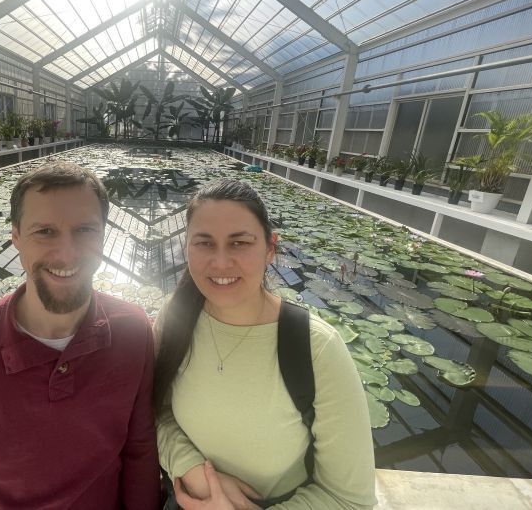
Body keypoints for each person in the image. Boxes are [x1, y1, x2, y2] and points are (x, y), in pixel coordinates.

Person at [0, 162, 160, 509]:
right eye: (45, 232)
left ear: (104, 235)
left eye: (85, 230)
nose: (66, 253)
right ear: (16, 237)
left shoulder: (133, 332)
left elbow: (139, 451)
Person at [153, 179, 376, 509]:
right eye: (204, 243)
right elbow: (155, 411)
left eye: (239, 243)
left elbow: (348, 498)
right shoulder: (174, 320)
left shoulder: (316, 348)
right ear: (187, 246)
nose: (221, 263)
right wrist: (194, 470)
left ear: (270, 247)